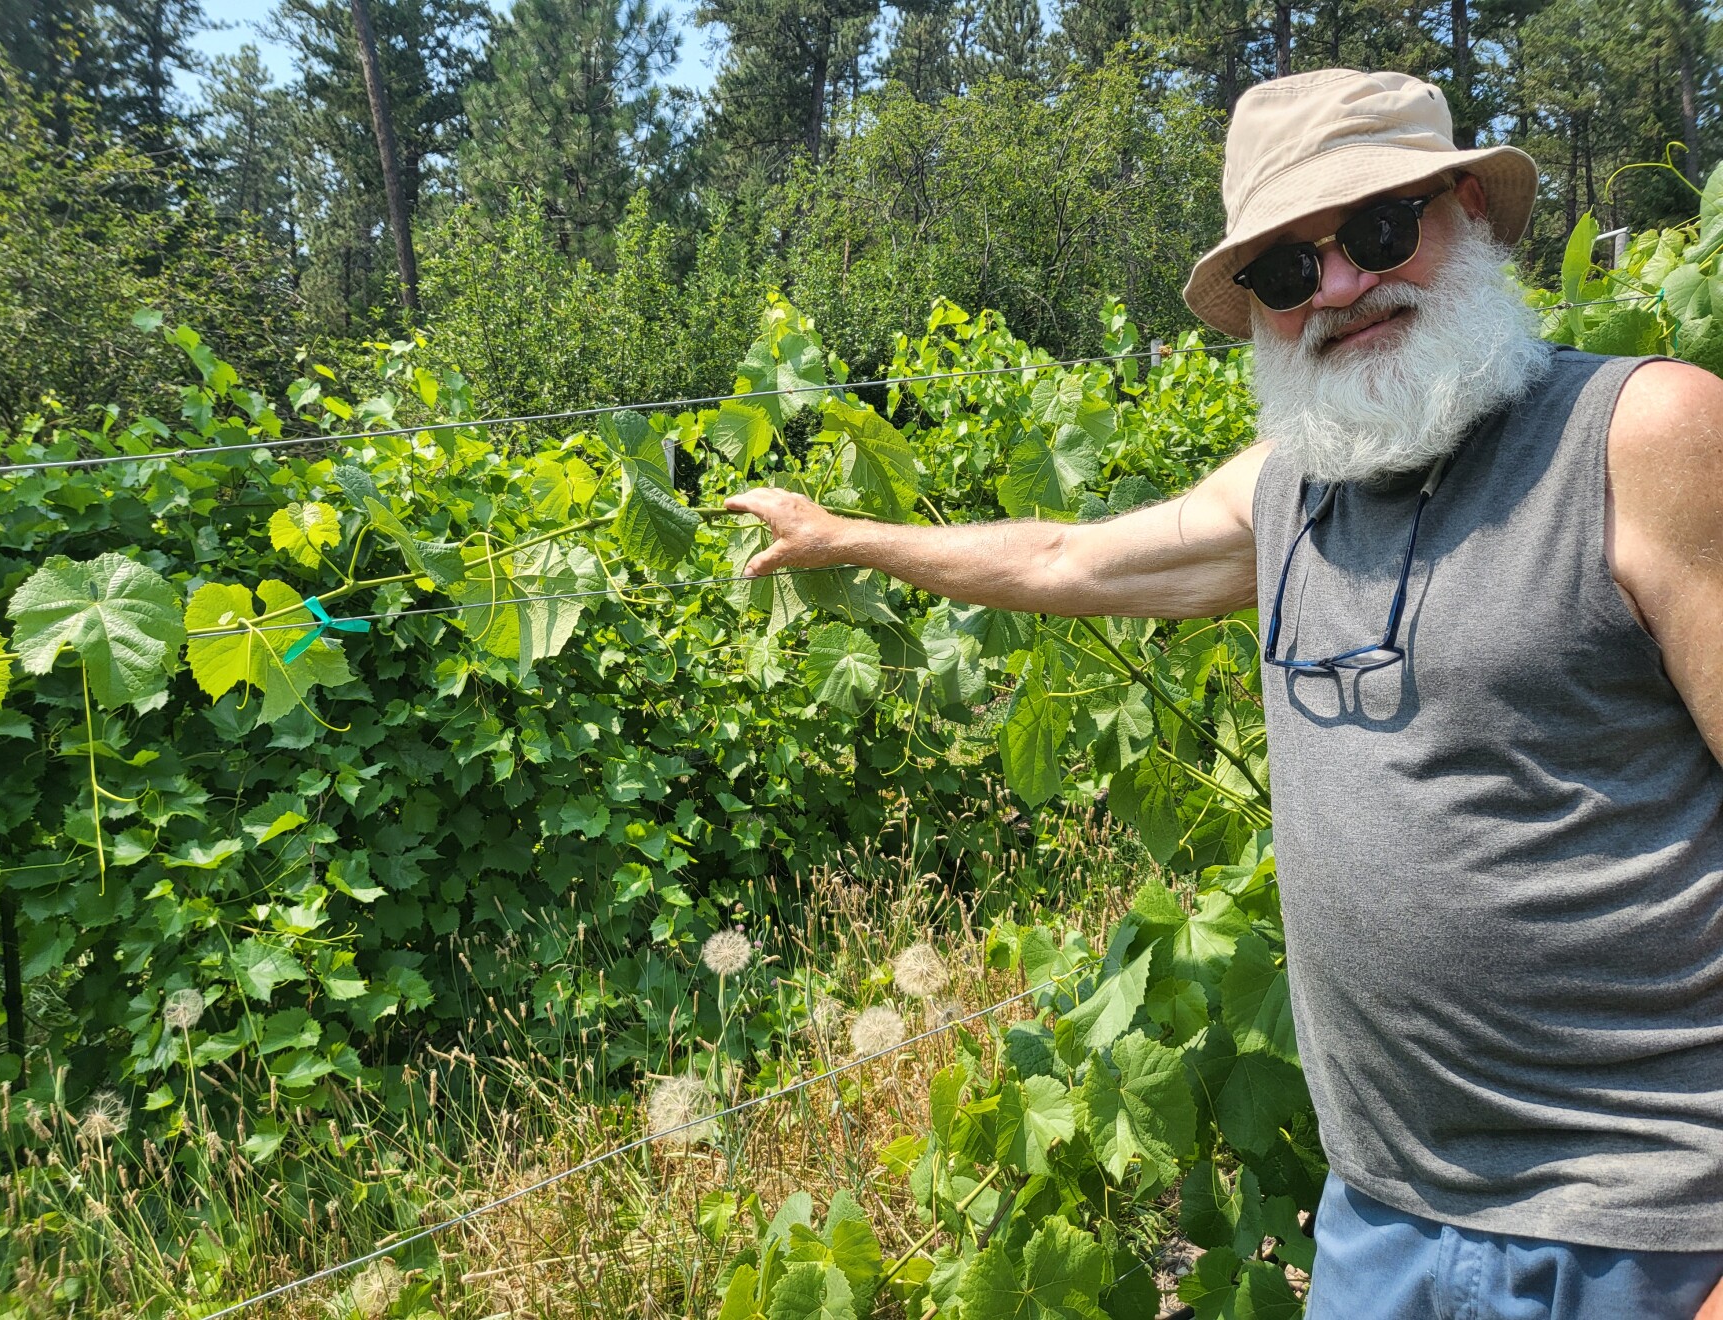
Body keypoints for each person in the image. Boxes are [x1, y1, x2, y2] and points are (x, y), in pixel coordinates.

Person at [724, 68, 1723, 1320]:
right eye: (1285, 272)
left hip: (1646, 1231)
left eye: (1372, 229)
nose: (1340, 290)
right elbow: (1060, 556)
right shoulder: (1286, 494)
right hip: (1382, 1216)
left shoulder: (1644, 437)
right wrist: (848, 537)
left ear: (1463, 204)